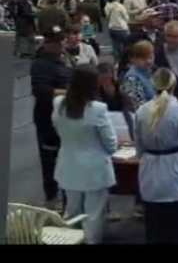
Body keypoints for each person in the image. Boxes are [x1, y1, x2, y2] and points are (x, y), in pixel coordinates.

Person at [133, 68, 178, 244]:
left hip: (149, 170)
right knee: (176, 226)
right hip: (177, 171)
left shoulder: (142, 111)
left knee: (153, 225)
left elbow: (139, 146)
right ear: (174, 85)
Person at [53, 65, 117, 244]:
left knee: (71, 213)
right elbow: (111, 145)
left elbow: (57, 128)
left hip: (68, 165)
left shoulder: (58, 103)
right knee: (93, 216)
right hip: (94, 170)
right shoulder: (98, 109)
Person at [30, 32, 73, 210]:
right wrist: (70, 93)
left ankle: (69, 198)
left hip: (68, 115)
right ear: (47, 44)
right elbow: (41, 90)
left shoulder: (65, 58)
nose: (60, 44)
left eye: (61, 40)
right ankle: (52, 197)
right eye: (55, 42)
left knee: (69, 158)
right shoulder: (40, 64)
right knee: (50, 160)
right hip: (48, 118)